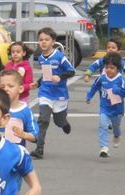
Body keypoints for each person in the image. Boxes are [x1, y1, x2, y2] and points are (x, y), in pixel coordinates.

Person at [0, 69, 39, 195]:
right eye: (2, 86)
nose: (5, 89)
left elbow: (35, 135)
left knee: (13, 192)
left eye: (10, 85)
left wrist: (24, 135)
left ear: (20, 89)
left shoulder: (24, 111)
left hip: (16, 159)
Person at [29, 27, 75, 160]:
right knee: (43, 120)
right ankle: (39, 149)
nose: (43, 42)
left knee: (59, 121)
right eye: (41, 40)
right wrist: (38, 83)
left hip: (59, 95)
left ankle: (64, 123)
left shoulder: (59, 56)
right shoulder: (41, 57)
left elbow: (71, 71)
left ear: (53, 42)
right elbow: (46, 74)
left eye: (46, 39)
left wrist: (60, 77)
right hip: (45, 93)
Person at [86, 52, 125, 158]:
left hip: (117, 109)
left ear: (118, 69)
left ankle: (116, 136)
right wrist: (89, 96)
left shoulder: (120, 79)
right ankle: (104, 148)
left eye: (112, 68)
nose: (108, 70)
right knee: (102, 125)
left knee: (116, 127)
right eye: (106, 67)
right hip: (104, 107)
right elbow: (94, 87)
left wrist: (118, 90)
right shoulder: (102, 78)